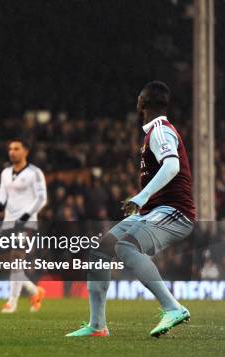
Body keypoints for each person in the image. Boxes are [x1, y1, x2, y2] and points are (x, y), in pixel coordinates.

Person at [66, 81, 195, 337]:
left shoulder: (160, 130)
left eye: (138, 100)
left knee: (125, 246)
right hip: (153, 211)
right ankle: (97, 326)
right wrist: (143, 203)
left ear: (143, 104)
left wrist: (141, 196)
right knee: (101, 251)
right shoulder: (153, 133)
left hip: (175, 212)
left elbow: (172, 166)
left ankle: (173, 308)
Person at [0, 138, 47, 313]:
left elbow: (41, 197)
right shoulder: (6, 173)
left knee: (16, 259)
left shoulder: (35, 173)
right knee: (5, 261)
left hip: (26, 223)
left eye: (16, 148)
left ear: (26, 151)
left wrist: (26, 215)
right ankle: (34, 291)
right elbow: (2, 191)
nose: (12, 152)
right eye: (10, 148)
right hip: (8, 221)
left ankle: (12, 302)